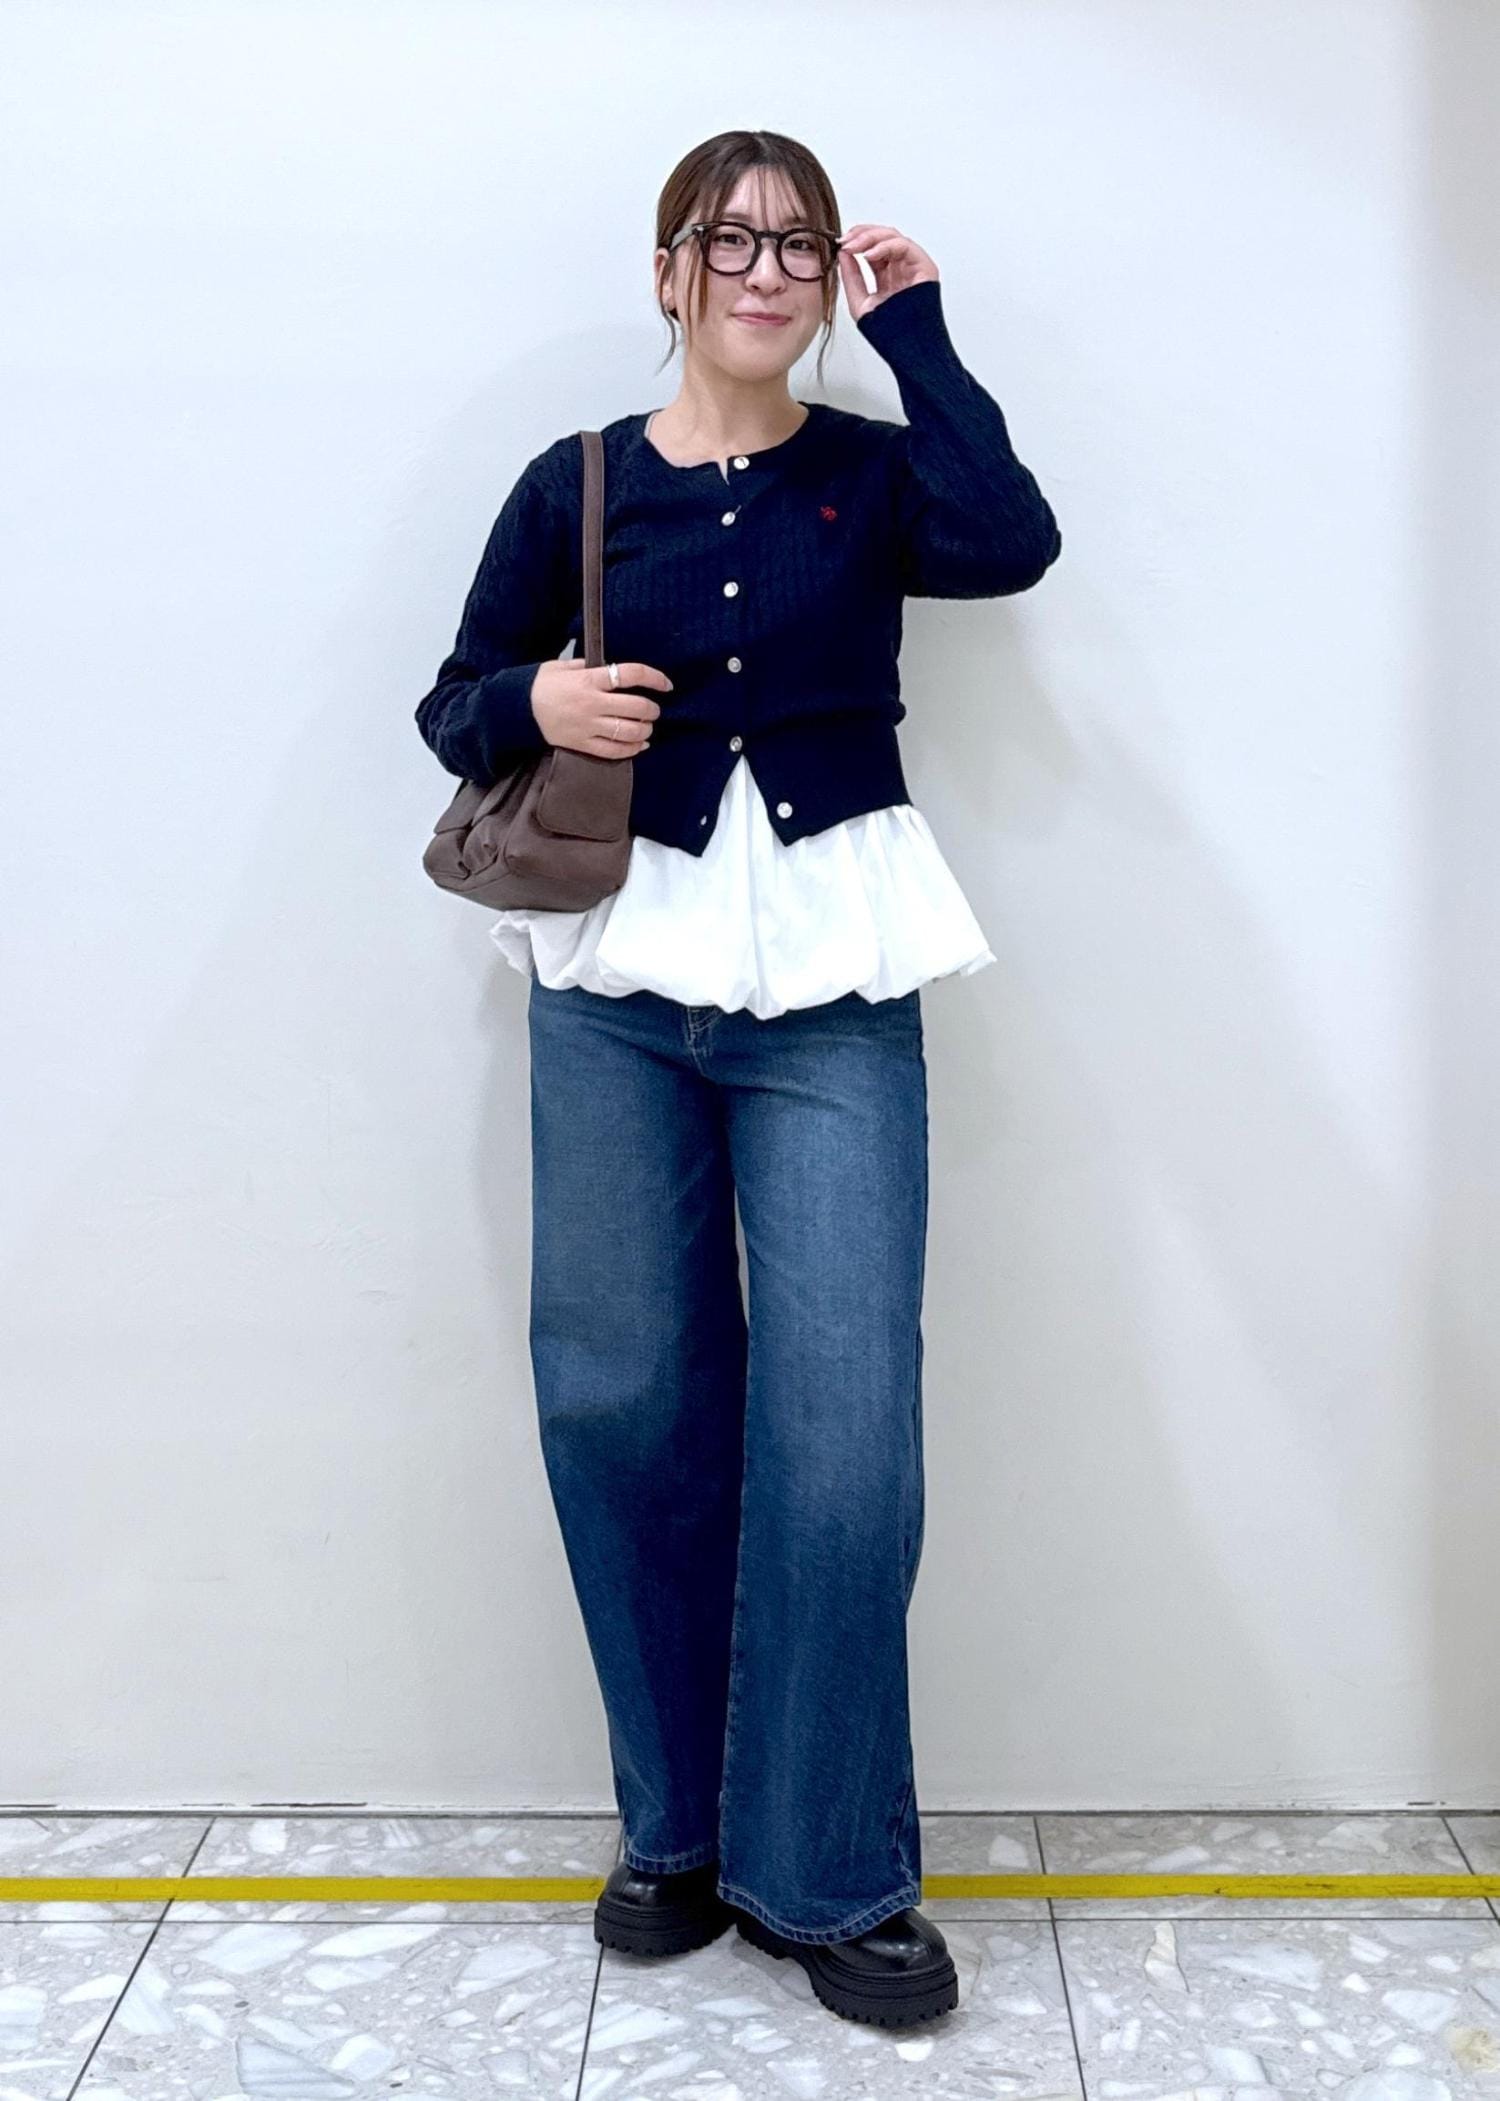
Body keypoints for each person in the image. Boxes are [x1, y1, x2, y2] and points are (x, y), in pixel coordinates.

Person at [414, 129, 1061, 2030]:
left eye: (798, 242)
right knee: (625, 1403)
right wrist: (535, 699)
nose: (766, 268)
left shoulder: (873, 474)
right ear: (670, 270)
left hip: (838, 986)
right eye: (731, 238)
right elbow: (452, 697)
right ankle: (677, 1830)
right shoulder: (576, 482)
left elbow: (1012, 538)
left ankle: (828, 1865)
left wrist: (916, 331)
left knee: (845, 1434)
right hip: (616, 987)